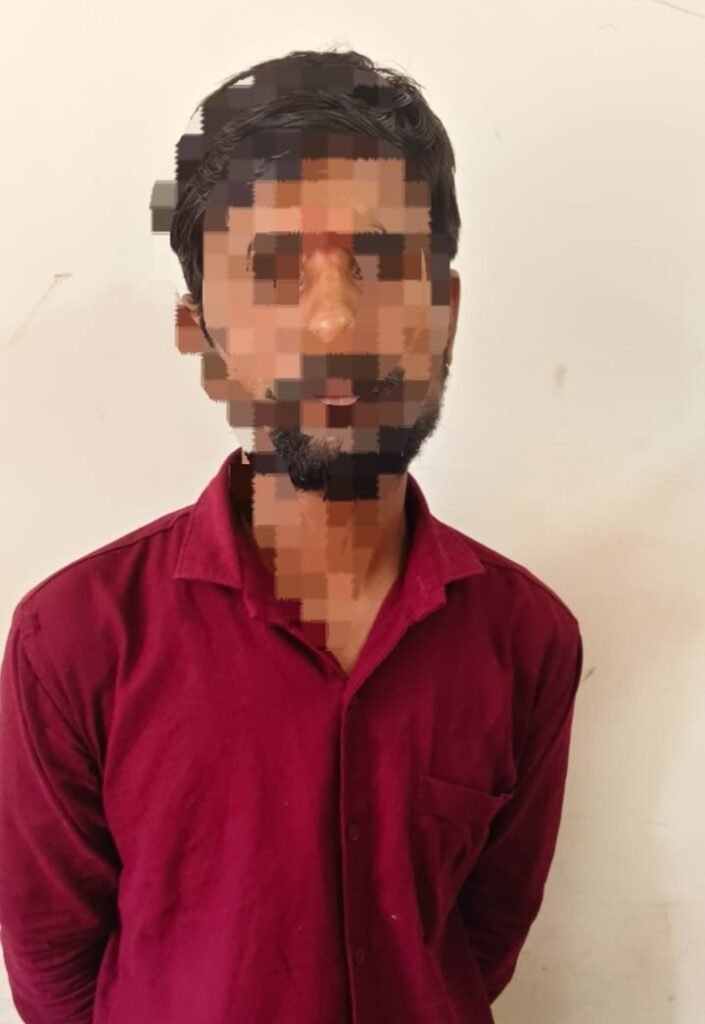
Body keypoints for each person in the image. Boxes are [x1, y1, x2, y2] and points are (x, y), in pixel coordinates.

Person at [0, 48, 584, 1024]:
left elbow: (481, 940)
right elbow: (54, 972)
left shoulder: (528, 638)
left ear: (444, 308)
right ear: (199, 331)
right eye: (272, 270)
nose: (333, 323)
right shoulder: (74, 641)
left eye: (378, 262)